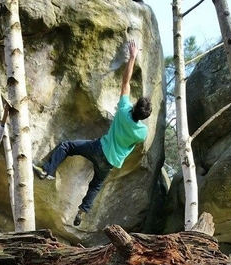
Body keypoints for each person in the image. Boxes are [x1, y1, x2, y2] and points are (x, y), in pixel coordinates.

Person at [33, 39, 152, 226]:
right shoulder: (142, 132)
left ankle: (48, 171)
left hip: (98, 148)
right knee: (95, 186)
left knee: (68, 146)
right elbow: (133, 145)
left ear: (135, 106)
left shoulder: (123, 111)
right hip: (111, 162)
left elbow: (126, 82)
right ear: (144, 116)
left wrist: (132, 57)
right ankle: (83, 210)